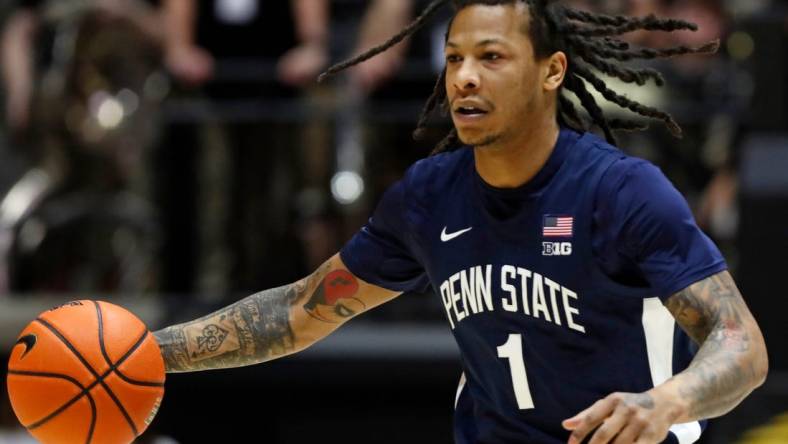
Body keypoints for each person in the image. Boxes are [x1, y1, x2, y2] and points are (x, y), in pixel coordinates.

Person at [153, 1, 769, 443]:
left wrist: (668, 401)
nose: (464, 77)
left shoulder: (622, 191)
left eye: (491, 57)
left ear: (552, 71)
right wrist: (147, 353)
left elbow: (742, 348)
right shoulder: (428, 194)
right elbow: (296, 313)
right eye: (454, 59)